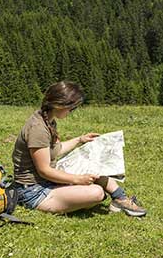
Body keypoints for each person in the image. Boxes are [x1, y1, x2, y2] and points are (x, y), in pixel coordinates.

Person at [11, 81, 146, 217]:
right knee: (97, 193)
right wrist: (77, 179)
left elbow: (55, 150)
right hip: (34, 191)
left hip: (47, 181)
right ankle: (111, 199)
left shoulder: (48, 119)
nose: (71, 112)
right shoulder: (38, 128)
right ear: (60, 104)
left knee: (95, 165)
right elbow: (44, 170)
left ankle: (120, 198)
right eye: (71, 108)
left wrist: (80, 140)